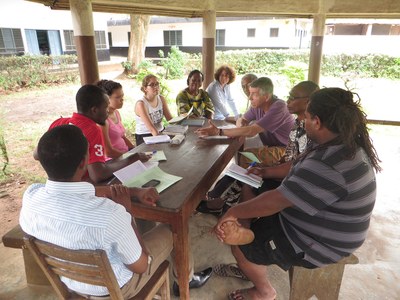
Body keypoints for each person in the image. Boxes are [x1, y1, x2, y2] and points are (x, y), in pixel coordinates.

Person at [214, 87, 381, 300]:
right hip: (323, 223)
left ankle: (263, 290)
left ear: (318, 122)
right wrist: (265, 172)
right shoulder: (341, 144)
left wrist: (234, 212)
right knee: (253, 187)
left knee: (239, 244)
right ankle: (247, 231)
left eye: (308, 118)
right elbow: (297, 165)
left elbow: (276, 201)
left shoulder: (327, 165)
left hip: (320, 243)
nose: (304, 121)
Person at [21, 125, 212, 299]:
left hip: (72, 282)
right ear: (83, 163)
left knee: (128, 235)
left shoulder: (30, 198)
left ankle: (135, 246)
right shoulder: (111, 214)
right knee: (176, 227)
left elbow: (79, 192)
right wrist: (126, 212)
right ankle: (186, 280)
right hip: (117, 287)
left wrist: (133, 192)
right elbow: (141, 266)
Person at [196, 77, 295, 215]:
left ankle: (226, 202)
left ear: (266, 96)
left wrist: (219, 131)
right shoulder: (257, 107)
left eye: (253, 94)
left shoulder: (278, 107)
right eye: (249, 93)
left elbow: (252, 130)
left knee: (246, 160)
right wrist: (241, 125)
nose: (249, 98)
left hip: (285, 152)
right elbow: (242, 120)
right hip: (271, 148)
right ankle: (220, 197)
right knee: (243, 158)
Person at [37, 84, 149, 184]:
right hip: (82, 188)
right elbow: (98, 174)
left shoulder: (58, 123)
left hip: (56, 186)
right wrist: (130, 160)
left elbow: (37, 154)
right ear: (94, 110)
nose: (107, 111)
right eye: (105, 107)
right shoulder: (92, 130)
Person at [97, 79, 134, 159]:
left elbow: (122, 137)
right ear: (106, 99)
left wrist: (134, 150)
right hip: (113, 161)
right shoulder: (103, 121)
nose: (122, 100)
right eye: (117, 97)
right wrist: (130, 157)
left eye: (122, 96)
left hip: (124, 155)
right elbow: (108, 152)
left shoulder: (116, 113)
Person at [134, 74, 173, 145]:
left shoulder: (161, 99)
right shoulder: (141, 104)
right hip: (145, 136)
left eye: (157, 84)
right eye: (152, 85)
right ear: (145, 88)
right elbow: (152, 129)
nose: (156, 87)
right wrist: (164, 141)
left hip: (160, 132)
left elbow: (170, 119)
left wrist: (182, 125)